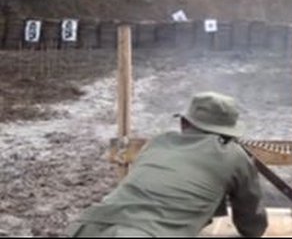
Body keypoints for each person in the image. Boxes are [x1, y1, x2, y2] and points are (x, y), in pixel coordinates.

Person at [66, 91, 268, 237]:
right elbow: (251, 224)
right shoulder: (233, 154)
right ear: (228, 132)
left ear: (184, 123)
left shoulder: (159, 142)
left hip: (87, 226)